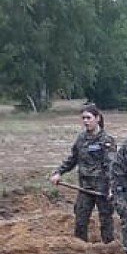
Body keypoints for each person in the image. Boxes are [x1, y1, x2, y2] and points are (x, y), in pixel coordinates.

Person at [50, 102, 116, 244]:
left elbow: (111, 166)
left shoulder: (107, 141)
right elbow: (72, 159)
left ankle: (108, 248)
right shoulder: (81, 139)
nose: (86, 121)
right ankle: (80, 247)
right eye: (83, 118)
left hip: (102, 189)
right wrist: (58, 172)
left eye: (89, 118)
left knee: (106, 219)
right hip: (85, 187)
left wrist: (112, 187)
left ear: (97, 118)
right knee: (80, 218)